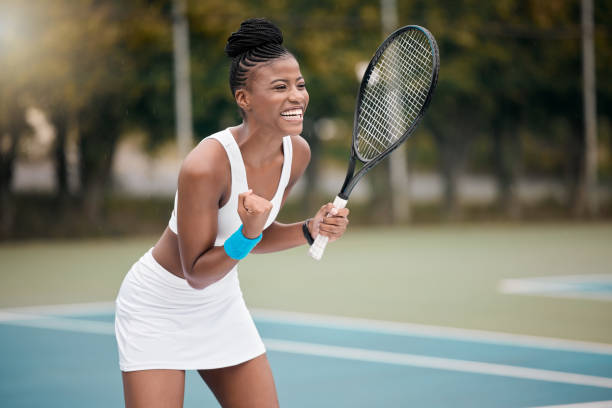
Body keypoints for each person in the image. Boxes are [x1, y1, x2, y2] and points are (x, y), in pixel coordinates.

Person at [114, 18, 350, 408]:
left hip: (221, 304)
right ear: (244, 99)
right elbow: (196, 272)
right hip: (158, 307)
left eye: (300, 84)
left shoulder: (297, 153)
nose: (297, 96)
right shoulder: (205, 165)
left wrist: (310, 228)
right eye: (280, 87)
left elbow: (258, 236)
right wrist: (250, 232)